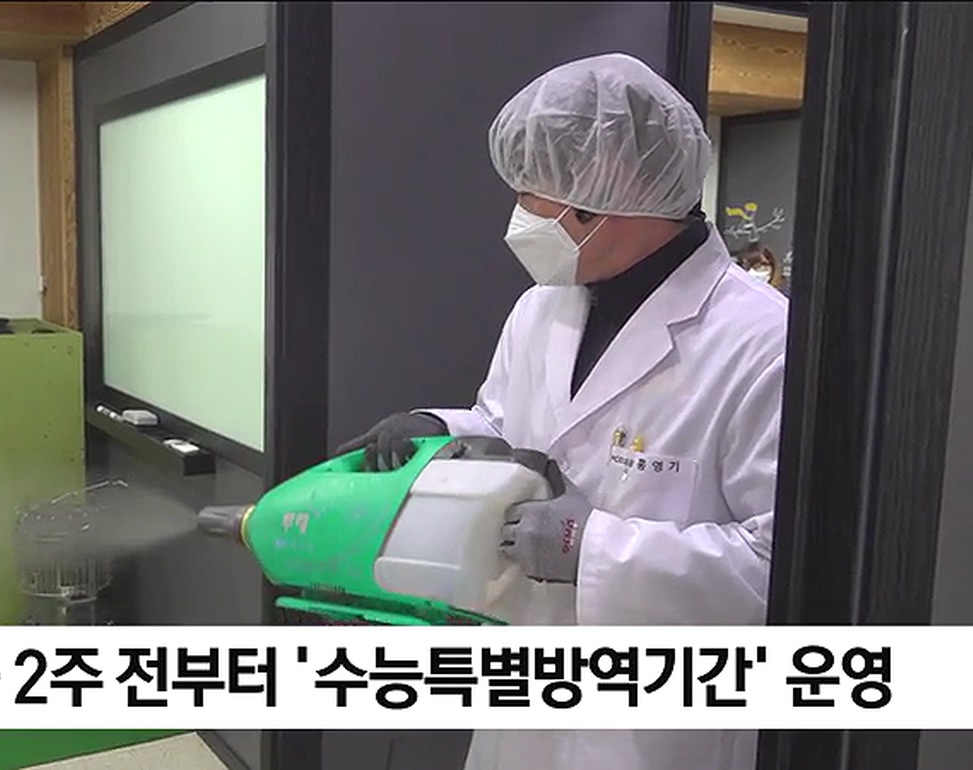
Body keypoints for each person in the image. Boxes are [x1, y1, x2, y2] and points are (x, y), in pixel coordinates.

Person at [337, 53, 788, 770]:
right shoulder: (542, 306)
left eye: (534, 191)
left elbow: (780, 566)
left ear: (613, 188)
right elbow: (507, 427)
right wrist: (442, 431)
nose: (519, 215)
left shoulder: (763, 340)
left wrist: (595, 548)